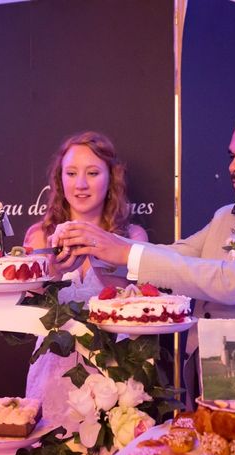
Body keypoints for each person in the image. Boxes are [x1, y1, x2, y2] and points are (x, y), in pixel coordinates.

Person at [52, 106, 235, 405]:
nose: (233, 166)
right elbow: (175, 256)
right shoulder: (225, 216)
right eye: (233, 156)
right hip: (203, 381)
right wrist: (95, 250)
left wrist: (123, 249)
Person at [24, 131, 147, 429]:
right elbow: (25, 311)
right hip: (52, 370)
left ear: (111, 178)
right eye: (71, 173)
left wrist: (104, 261)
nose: (80, 184)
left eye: (92, 173)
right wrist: (49, 273)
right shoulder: (39, 236)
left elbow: (142, 313)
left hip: (113, 370)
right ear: (59, 178)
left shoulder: (132, 238)